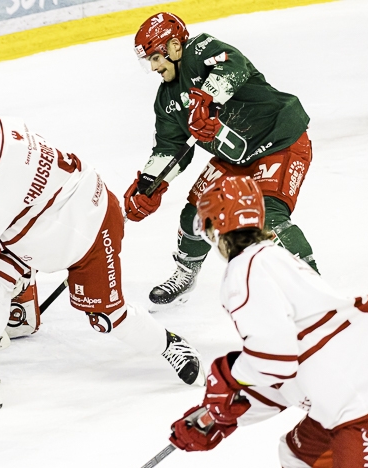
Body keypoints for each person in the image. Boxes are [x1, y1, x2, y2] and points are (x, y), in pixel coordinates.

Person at [0, 93, 205, 413]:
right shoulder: (5, 127)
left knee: (107, 317)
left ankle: (171, 345)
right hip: (42, 224)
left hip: (89, 228)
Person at [169, 175, 368, 468]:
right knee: (297, 457)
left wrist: (226, 374)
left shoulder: (244, 270)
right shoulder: (274, 259)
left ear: (216, 225)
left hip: (360, 409)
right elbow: (293, 368)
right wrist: (226, 416)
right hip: (350, 395)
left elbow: (274, 360)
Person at [127, 12, 318, 309]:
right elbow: (169, 148)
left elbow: (234, 63)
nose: (153, 67)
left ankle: (314, 290)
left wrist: (208, 97)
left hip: (279, 142)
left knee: (269, 219)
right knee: (194, 216)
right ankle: (185, 274)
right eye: (149, 61)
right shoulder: (166, 99)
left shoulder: (200, 50)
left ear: (175, 46)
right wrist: (148, 185)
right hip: (233, 159)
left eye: (155, 57)